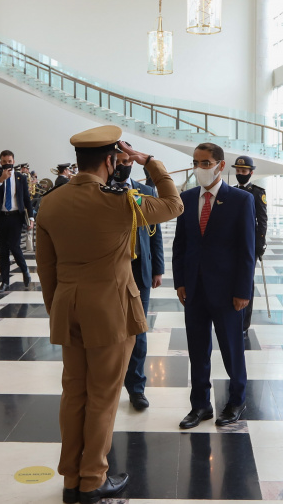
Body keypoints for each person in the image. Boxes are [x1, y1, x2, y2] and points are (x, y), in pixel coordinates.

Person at [36, 125, 183, 503]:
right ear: (110, 159)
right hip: (111, 311)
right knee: (102, 396)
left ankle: (71, 477)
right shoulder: (123, 202)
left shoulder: (50, 202)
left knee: (74, 393)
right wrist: (150, 161)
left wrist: (58, 310)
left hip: (68, 308)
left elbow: (46, 268)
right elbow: (173, 203)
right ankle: (93, 479)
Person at [173, 143, 256, 430]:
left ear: (221, 166)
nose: (200, 168)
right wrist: (180, 282)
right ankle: (200, 405)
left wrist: (243, 291)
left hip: (228, 291)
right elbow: (180, 245)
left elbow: (247, 249)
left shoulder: (241, 200)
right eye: (196, 162)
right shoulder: (187, 198)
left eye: (206, 163)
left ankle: (236, 400)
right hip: (194, 289)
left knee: (232, 348)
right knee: (197, 350)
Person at [109, 146, 165, 412]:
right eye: (118, 162)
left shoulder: (146, 192)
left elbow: (155, 234)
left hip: (139, 268)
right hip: (109, 271)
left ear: (132, 162)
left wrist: (158, 268)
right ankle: (109, 386)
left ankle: (137, 388)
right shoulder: (100, 190)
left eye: (126, 161)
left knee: (138, 330)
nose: (122, 166)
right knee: (110, 331)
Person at [0, 150, 33, 294]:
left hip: (15, 217)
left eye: (10, 161)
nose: (7, 164)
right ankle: (5, 282)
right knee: (3, 250)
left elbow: (26, 199)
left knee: (14, 246)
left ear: (13, 161)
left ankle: (24, 270)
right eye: (4, 161)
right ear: (1, 162)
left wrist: (31, 218)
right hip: (1, 216)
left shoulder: (20, 177)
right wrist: (1, 180)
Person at [231, 155, 268, 335]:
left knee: (246, 283)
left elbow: (262, 221)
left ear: (251, 173)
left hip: (249, 246)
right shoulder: (230, 191)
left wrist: (259, 245)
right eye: (238, 171)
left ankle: (244, 324)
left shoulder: (257, 192)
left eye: (244, 171)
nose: (240, 174)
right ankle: (233, 316)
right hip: (230, 245)